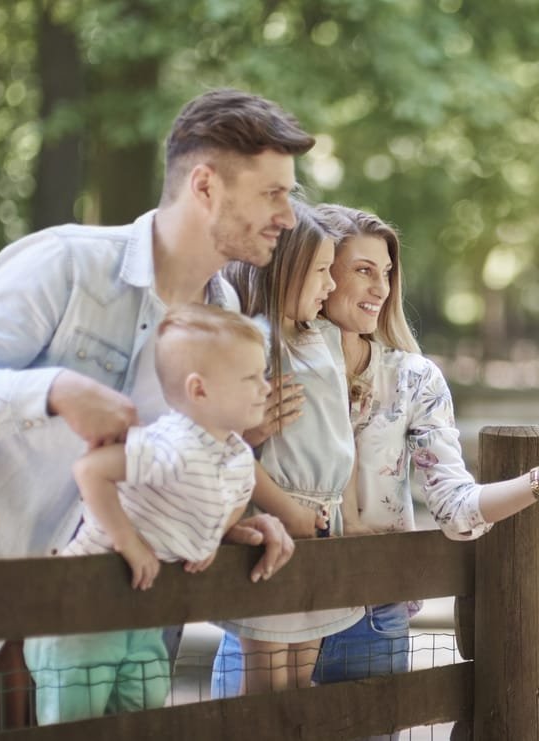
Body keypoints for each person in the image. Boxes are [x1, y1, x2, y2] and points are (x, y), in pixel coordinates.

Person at [0, 88, 308, 741]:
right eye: (273, 194)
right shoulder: (67, 262)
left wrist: (222, 517)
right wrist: (56, 388)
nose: (288, 215)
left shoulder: (228, 315)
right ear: (206, 186)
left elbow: (176, 458)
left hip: (115, 632)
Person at [211, 204, 539, 733]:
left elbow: (456, 507)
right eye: (362, 269)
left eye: (386, 272)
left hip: (372, 616)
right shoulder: (260, 356)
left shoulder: (413, 380)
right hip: (267, 591)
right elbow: (212, 454)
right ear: (319, 269)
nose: (381, 287)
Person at [23, 303, 268, 724]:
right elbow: (90, 470)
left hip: (144, 616)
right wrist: (129, 542)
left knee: (144, 711)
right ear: (199, 390)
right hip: (84, 610)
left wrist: (212, 539)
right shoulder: (168, 444)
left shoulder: (237, 457)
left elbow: (225, 501)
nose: (265, 388)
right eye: (251, 378)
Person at [213, 201, 365, 694]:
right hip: (278, 522)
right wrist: (289, 513)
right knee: (267, 687)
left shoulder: (317, 336)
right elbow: (232, 447)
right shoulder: (256, 341)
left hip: (323, 522)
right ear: (285, 270)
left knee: (301, 680)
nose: (330, 284)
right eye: (321, 271)